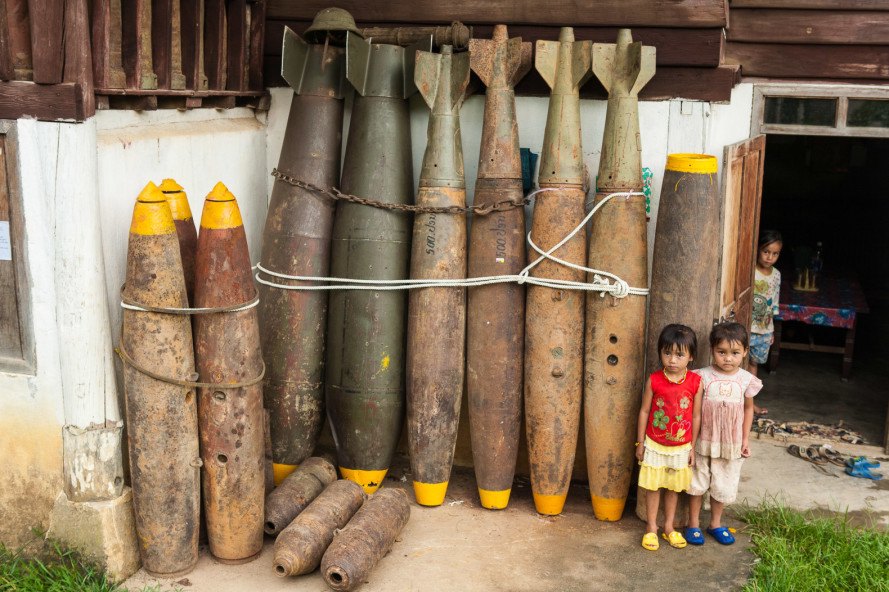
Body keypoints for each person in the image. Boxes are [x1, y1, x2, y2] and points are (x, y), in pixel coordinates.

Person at [685, 322, 762, 546]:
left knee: (723, 483)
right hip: (703, 440)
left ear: (745, 352)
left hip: (731, 443)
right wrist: (690, 442)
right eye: (722, 352)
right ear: (712, 350)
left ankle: (716, 524)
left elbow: (748, 409)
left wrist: (745, 439)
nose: (728, 358)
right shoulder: (701, 377)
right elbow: (694, 411)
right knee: (697, 482)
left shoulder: (746, 380)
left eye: (735, 353)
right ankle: (693, 524)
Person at [636, 324, 703, 551]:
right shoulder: (654, 380)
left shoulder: (695, 382)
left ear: (691, 356)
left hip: (681, 447)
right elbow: (644, 411)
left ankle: (669, 527)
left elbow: (695, 416)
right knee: (653, 487)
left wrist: (692, 447)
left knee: (673, 488)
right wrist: (640, 443)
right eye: (667, 353)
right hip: (655, 445)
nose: (672, 360)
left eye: (679, 354)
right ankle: (651, 528)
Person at [750, 229, 782, 414]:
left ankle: (749, 403)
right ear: (758, 250)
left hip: (764, 330)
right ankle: (737, 404)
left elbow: (774, 303)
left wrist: (772, 331)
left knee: (753, 365)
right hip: (746, 328)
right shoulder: (750, 270)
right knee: (736, 364)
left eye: (775, 253)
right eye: (766, 251)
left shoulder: (776, 275)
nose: (769, 257)